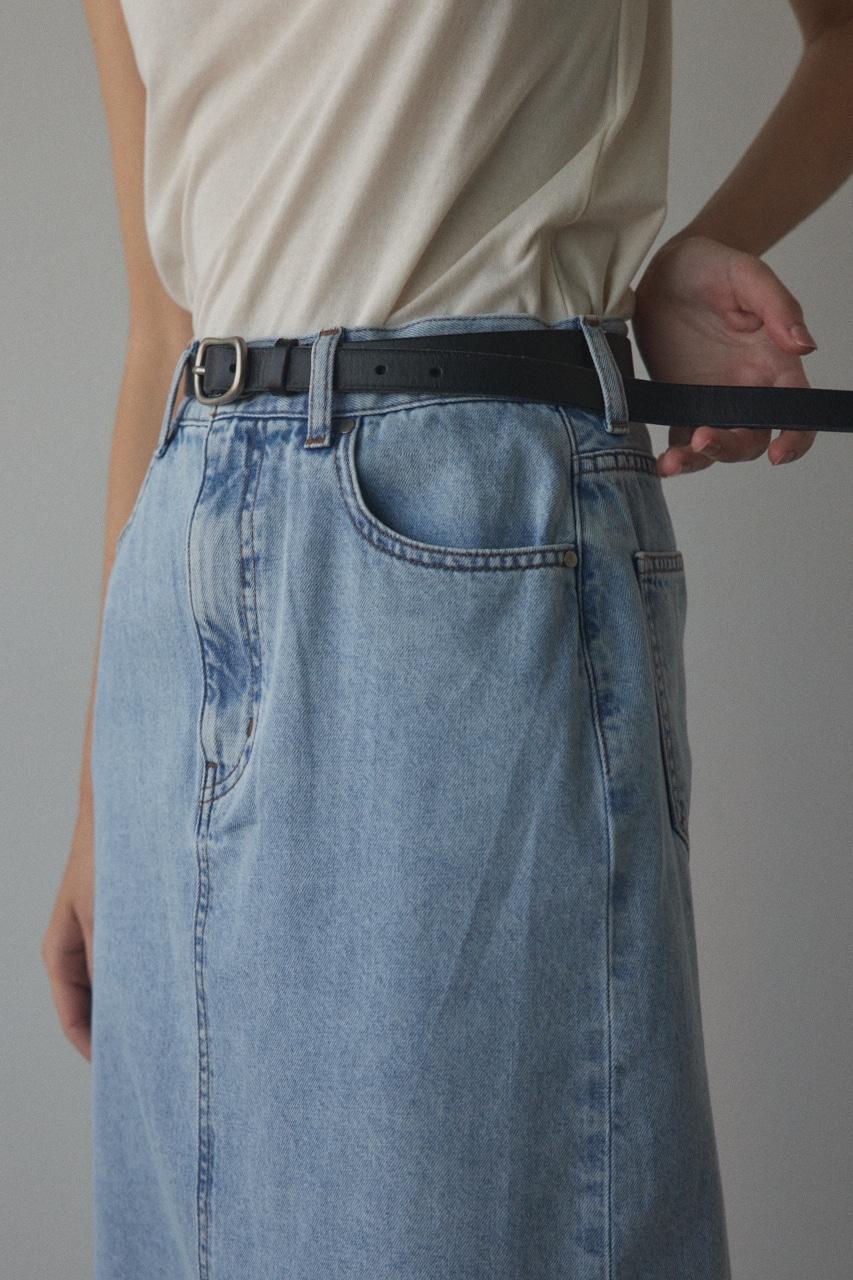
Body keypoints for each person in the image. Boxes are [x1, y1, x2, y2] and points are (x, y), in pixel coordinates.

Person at [42, 1, 853, 1277]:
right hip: (184, 559)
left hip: (460, 525)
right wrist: (101, 792)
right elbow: (163, 328)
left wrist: (708, 243)